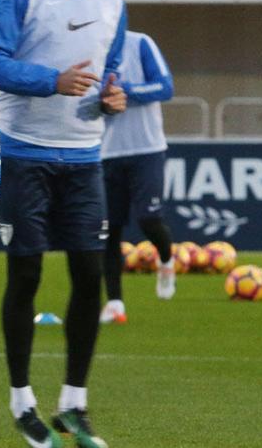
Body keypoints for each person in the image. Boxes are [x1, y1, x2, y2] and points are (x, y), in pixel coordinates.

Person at [0, 0, 127, 446]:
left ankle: (73, 405)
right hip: (22, 154)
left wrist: (112, 97)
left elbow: (112, 74)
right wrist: (51, 82)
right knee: (27, 273)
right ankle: (22, 402)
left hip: (85, 158)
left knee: (90, 274)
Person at [100, 30, 176, 324]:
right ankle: (115, 302)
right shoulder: (86, 48)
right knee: (108, 232)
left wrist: (126, 92)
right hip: (106, 152)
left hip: (147, 149)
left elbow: (165, 86)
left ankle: (167, 260)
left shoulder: (140, 42)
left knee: (149, 220)